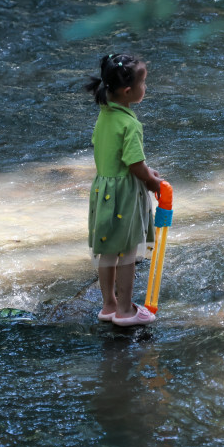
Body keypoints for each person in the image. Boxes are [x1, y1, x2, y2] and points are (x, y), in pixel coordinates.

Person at [85, 53, 161, 327]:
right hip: (124, 196)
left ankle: (108, 305)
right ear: (129, 92)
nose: (145, 88)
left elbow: (115, 155)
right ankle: (126, 311)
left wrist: (144, 170)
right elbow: (134, 164)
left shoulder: (105, 116)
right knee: (127, 254)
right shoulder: (130, 124)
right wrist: (152, 181)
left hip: (102, 191)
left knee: (108, 251)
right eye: (144, 83)